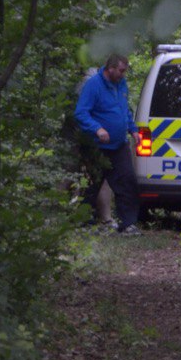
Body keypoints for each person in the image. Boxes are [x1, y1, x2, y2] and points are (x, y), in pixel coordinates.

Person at [73, 54, 142, 235]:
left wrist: (133, 129)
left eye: (125, 71)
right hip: (97, 147)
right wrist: (97, 129)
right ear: (110, 68)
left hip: (119, 145)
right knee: (92, 185)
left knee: (127, 181)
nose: (123, 74)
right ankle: (84, 223)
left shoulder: (121, 84)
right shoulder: (94, 85)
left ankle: (128, 224)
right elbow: (81, 113)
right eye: (120, 70)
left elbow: (124, 109)